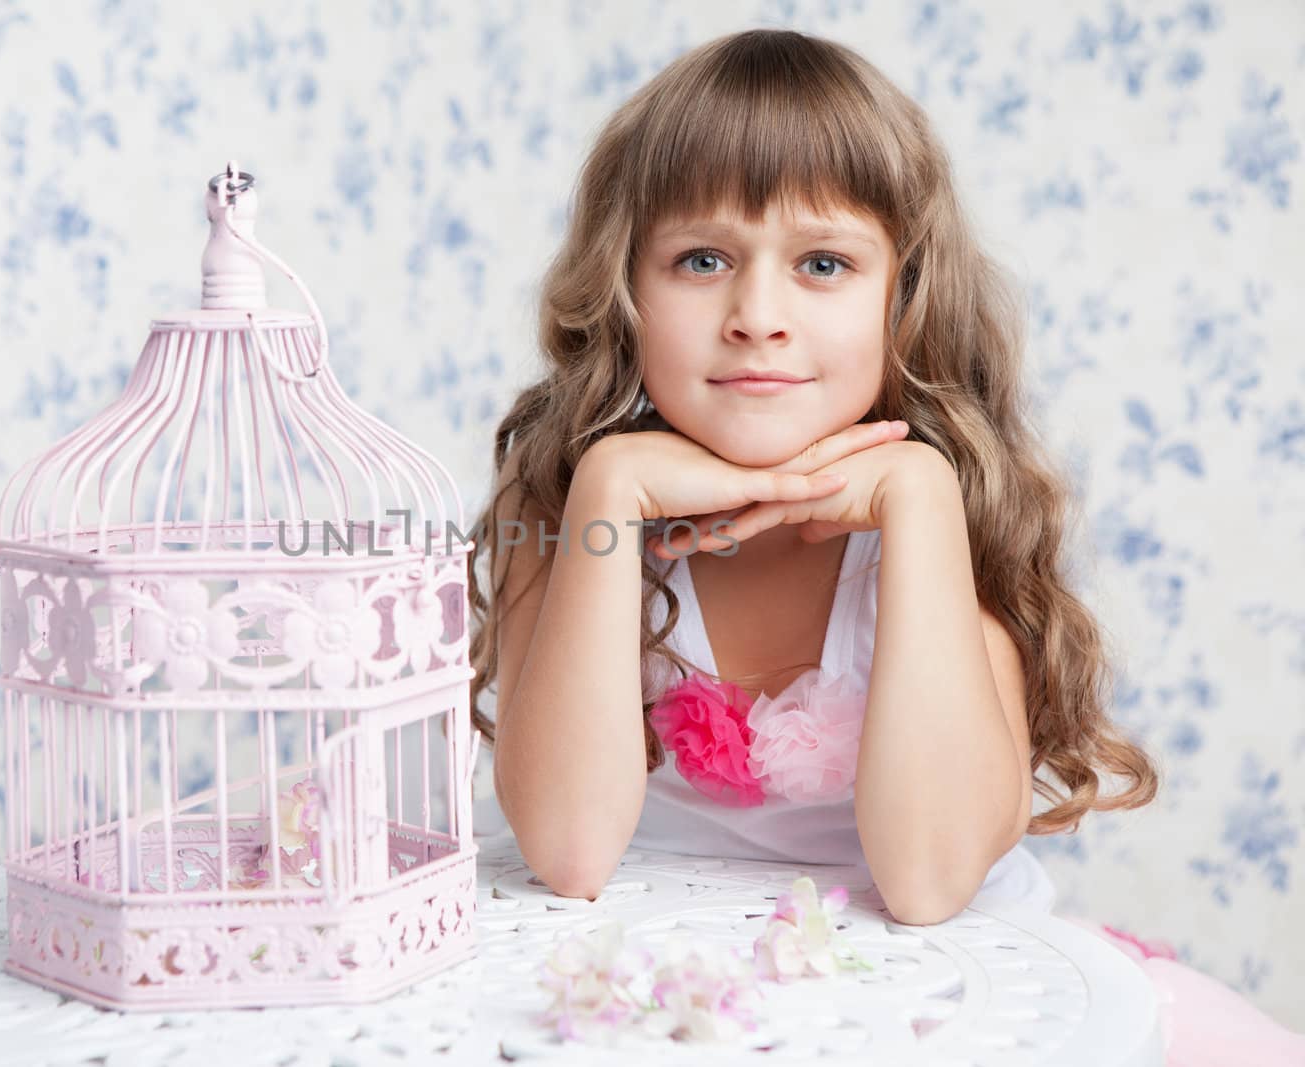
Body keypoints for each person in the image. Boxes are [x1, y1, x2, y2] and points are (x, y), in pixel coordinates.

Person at [463, 27, 1305, 1063]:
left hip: (931, 992)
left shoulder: (952, 511)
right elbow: (569, 851)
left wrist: (916, 502)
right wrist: (611, 483)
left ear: (902, 298)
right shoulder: (565, 504)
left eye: (823, 262)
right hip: (666, 989)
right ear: (625, 289)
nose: (756, 316)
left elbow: (929, 879)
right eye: (700, 259)